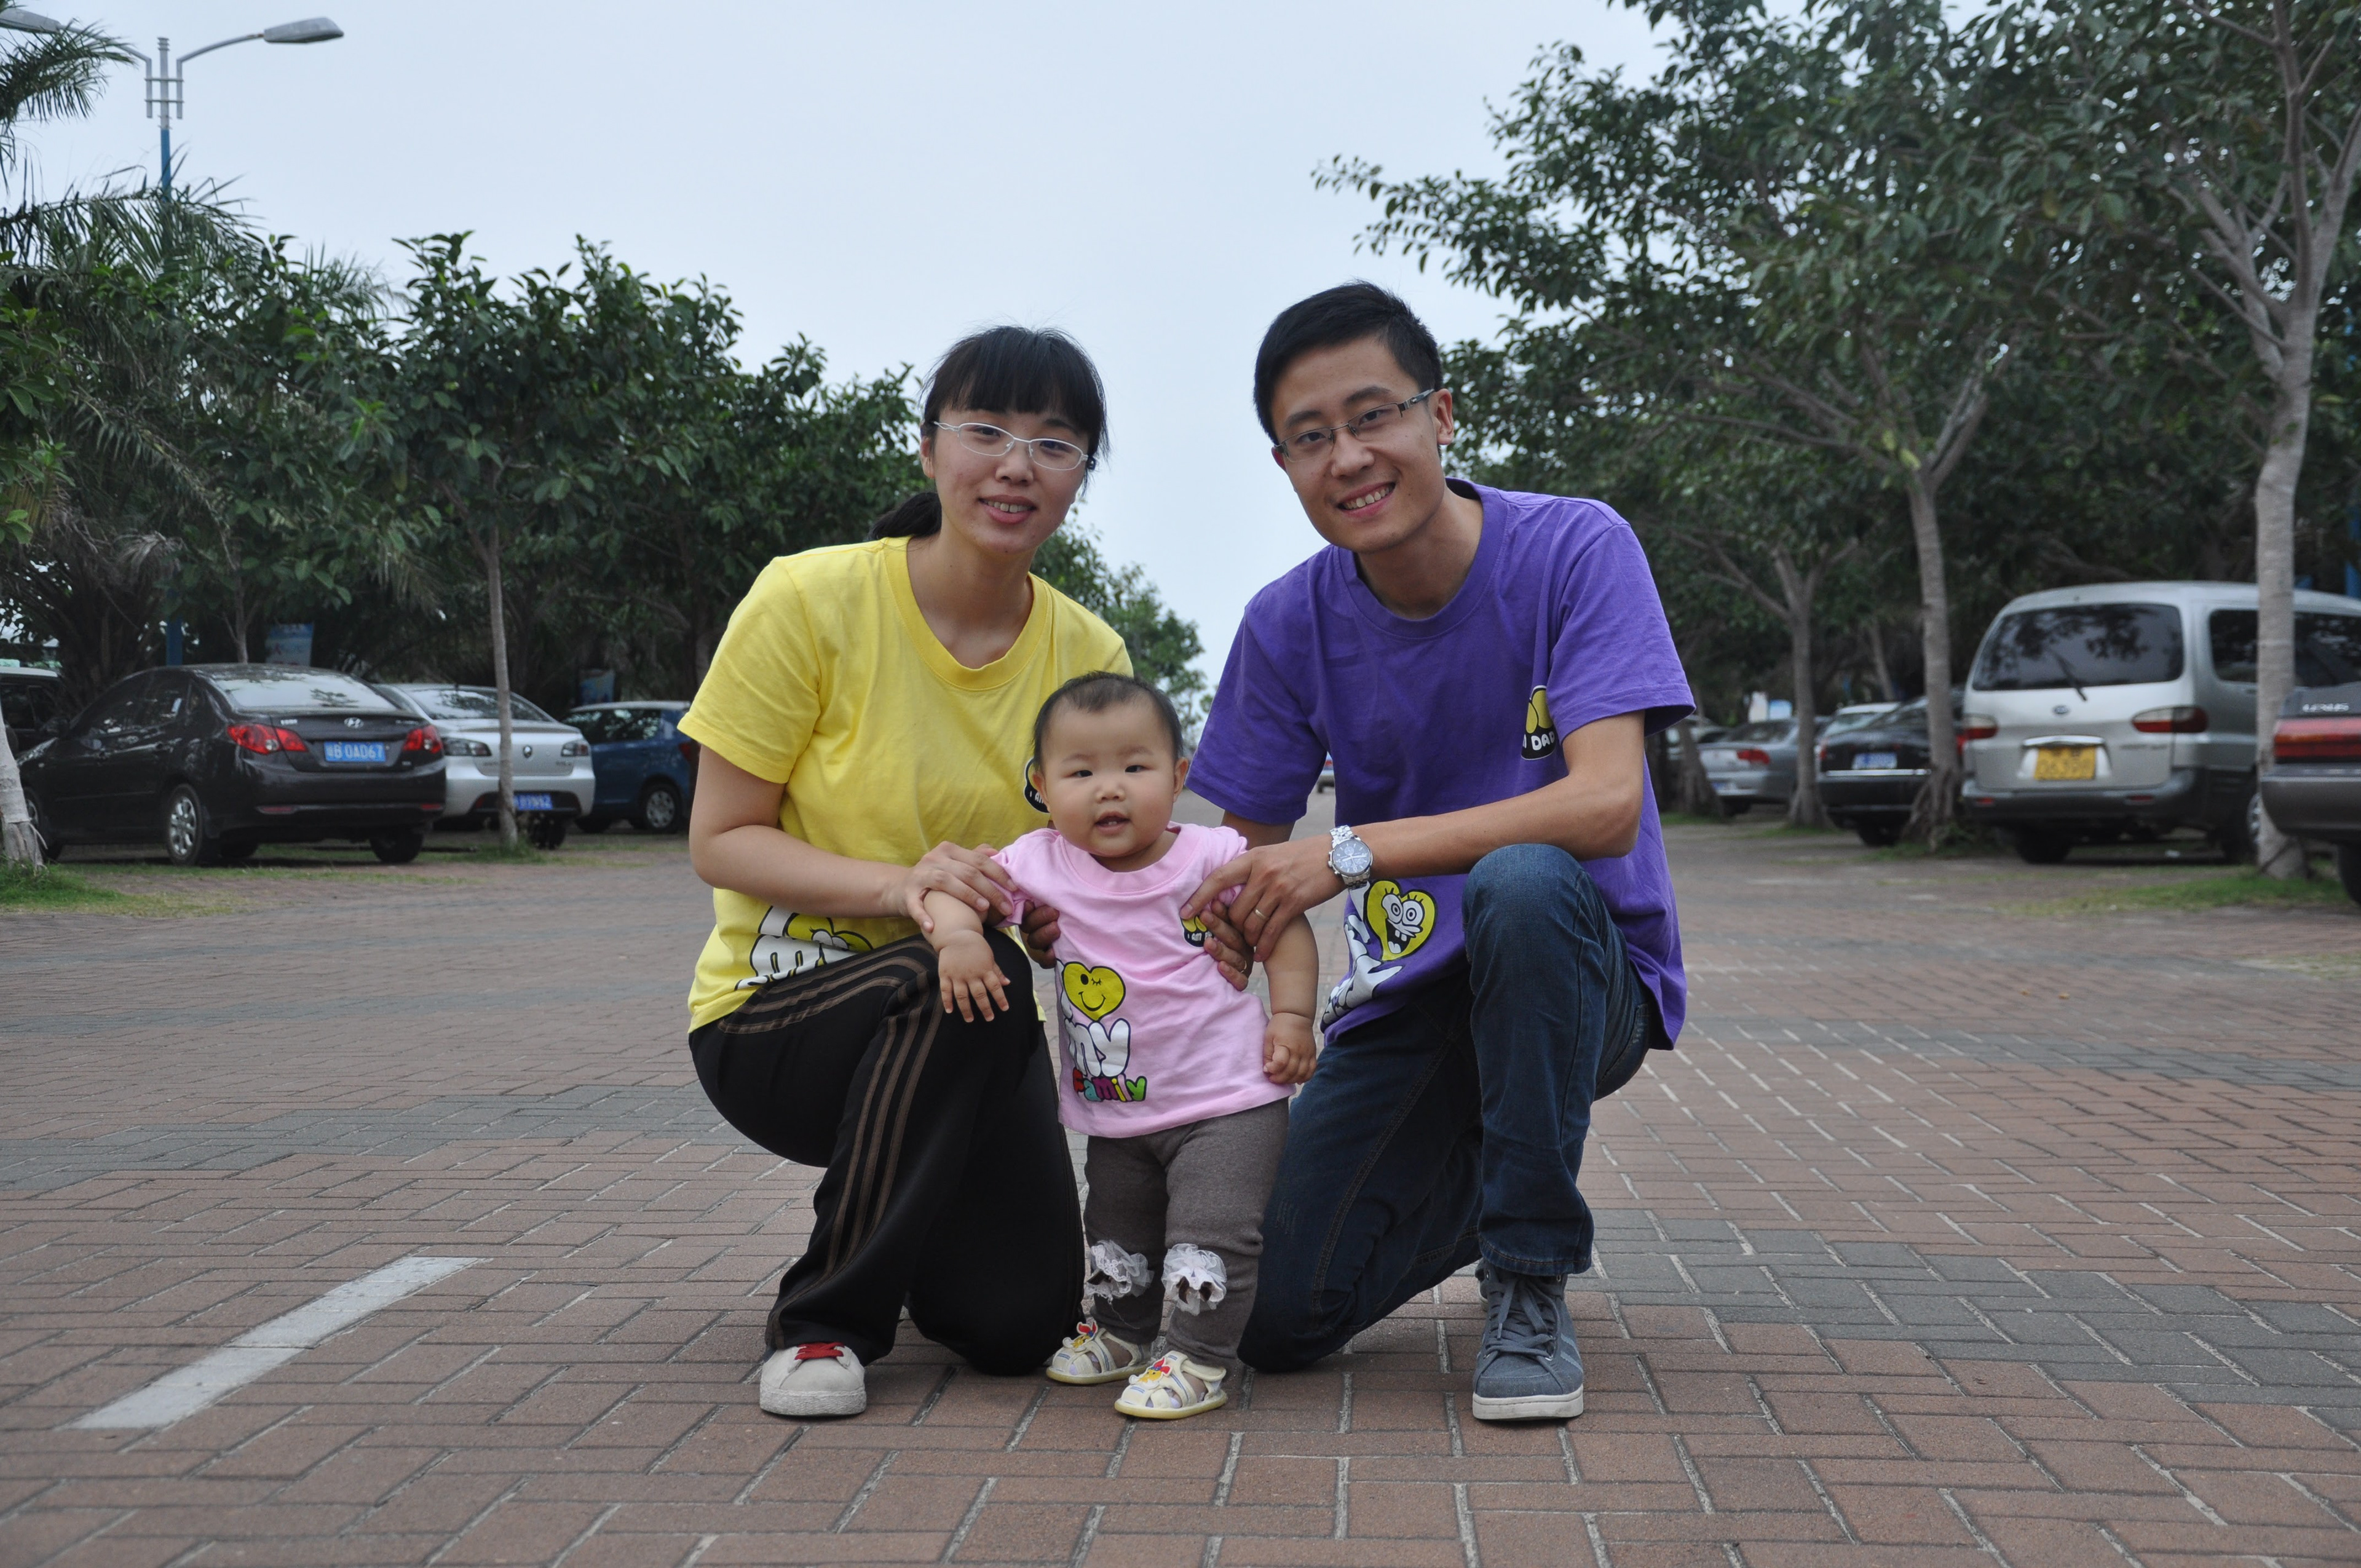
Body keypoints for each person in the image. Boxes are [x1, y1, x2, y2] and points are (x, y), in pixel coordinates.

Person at [1178, 283, 1694, 1422]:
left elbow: (1606, 804)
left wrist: (1352, 854)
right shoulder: (1285, 622)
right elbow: (1231, 867)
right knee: (1270, 1316)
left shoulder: (1574, 548)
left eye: (1374, 416)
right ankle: (1512, 1164)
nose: (1349, 457)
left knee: (1521, 882)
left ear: (1442, 415)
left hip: (1580, 971)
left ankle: (1529, 1273)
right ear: (1283, 466)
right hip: (1407, 1003)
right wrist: (1072, 891)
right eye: (1310, 438)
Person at [680, 325, 1131, 1420]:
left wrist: (1083, 920)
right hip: (776, 1017)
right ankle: (827, 1325)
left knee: (1019, 1329)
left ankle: (913, 1214)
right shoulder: (808, 601)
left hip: (971, 1021)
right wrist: (906, 890)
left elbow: (1079, 874)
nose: (1016, 464)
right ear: (929, 451)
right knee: (940, 982)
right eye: (985, 431)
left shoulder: (1091, 658)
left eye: (1055, 443)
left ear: (1080, 477)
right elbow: (721, 837)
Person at [924, 672, 1319, 1420]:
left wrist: (1292, 1017)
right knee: (1116, 1230)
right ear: (1041, 784)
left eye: (1135, 768)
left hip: (1226, 1100)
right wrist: (957, 939)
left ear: (1177, 777)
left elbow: (1283, 927)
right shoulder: (1036, 863)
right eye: (1081, 772)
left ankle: (1201, 1361)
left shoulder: (1212, 855)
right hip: (1119, 1107)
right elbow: (956, 888)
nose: (1110, 790)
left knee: (1211, 1234)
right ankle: (1120, 1334)